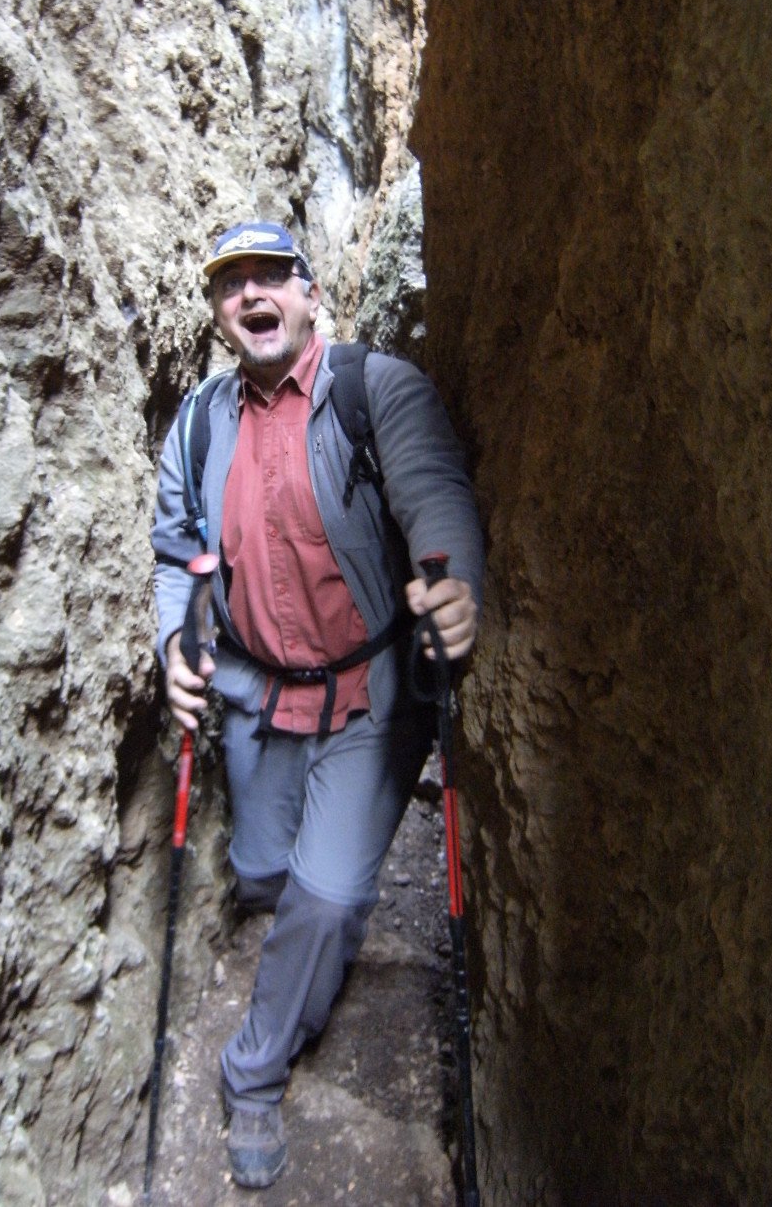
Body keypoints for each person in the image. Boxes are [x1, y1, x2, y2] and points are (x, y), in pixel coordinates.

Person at [151, 220, 483, 1189]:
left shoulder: (376, 390)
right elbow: (176, 553)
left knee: (328, 896)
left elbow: (435, 498)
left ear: (309, 291)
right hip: (255, 691)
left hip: (367, 695)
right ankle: (296, 922)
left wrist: (453, 586)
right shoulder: (199, 423)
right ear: (218, 314)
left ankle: (252, 1074)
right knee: (261, 871)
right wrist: (173, 642)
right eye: (231, 285)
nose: (252, 296)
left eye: (271, 277)